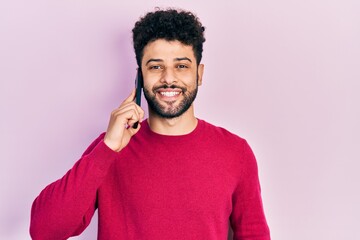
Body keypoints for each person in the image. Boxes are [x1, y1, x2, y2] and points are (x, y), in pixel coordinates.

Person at [30, 8, 271, 240]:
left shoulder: (235, 152)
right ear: (140, 76)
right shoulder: (109, 148)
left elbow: (254, 235)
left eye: (181, 66)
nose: (168, 78)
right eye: (156, 67)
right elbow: (44, 231)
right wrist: (107, 149)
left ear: (199, 74)